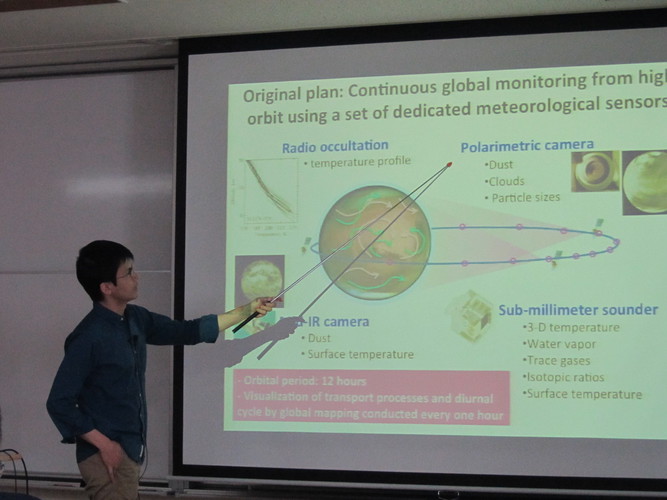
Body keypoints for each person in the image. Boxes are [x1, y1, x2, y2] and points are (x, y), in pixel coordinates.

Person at [46, 240, 299, 500]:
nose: (136, 277)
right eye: (128, 273)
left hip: (128, 447)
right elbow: (59, 403)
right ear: (107, 287)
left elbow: (188, 331)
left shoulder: (136, 318)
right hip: (105, 454)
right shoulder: (88, 337)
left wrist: (246, 311)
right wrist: (105, 444)